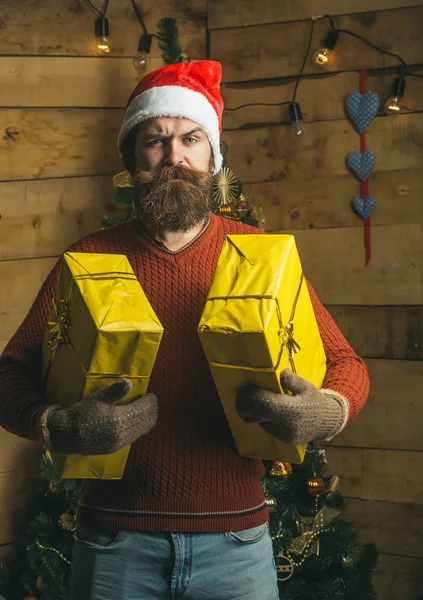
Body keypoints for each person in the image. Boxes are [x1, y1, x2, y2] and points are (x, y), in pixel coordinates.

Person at [0, 61, 369, 600]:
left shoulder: (258, 255)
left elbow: (348, 365)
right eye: (156, 140)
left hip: (237, 546)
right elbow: (10, 373)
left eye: (190, 139)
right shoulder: (87, 257)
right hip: (114, 546)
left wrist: (327, 410)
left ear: (212, 157)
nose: (174, 156)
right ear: (132, 159)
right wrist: (57, 426)